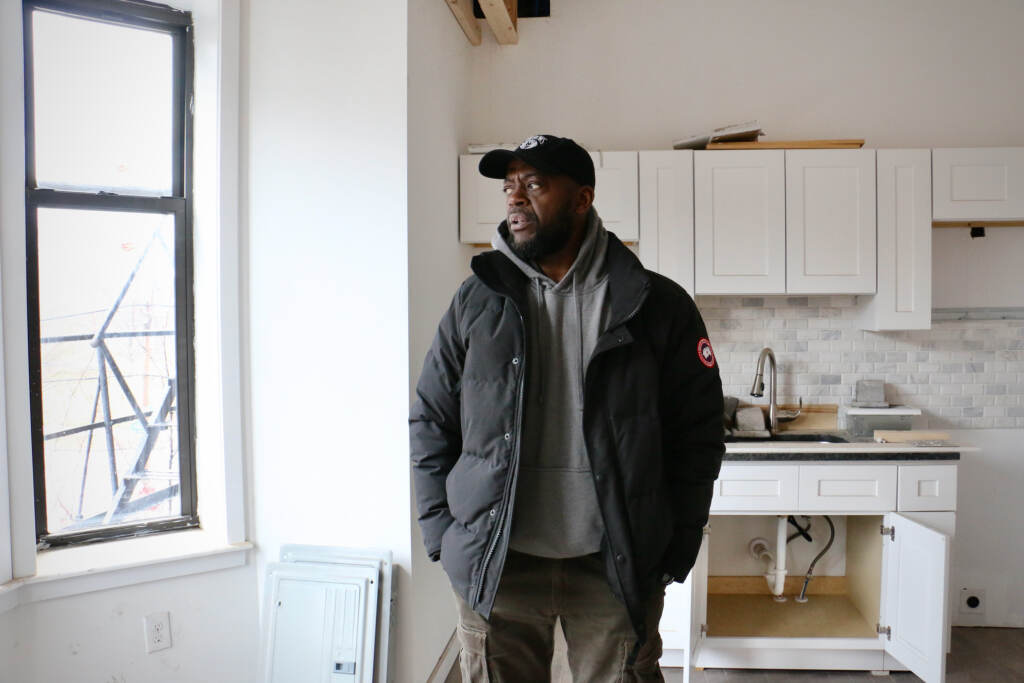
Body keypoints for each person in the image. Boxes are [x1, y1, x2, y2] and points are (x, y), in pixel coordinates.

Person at [410, 134, 724, 681]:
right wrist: (443, 535)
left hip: (614, 564)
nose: (514, 199)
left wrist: (675, 547)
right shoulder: (475, 300)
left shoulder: (657, 304)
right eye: (510, 187)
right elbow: (431, 421)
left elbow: (697, 436)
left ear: (582, 199)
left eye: (534, 184)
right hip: (497, 563)